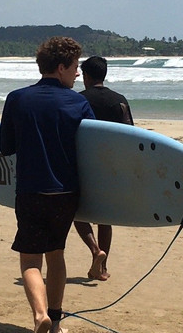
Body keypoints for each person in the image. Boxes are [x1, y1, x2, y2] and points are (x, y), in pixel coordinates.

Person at [0, 37, 95, 333]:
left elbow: (5, 146)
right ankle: (54, 323)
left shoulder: (17, 99)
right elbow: (92, 151)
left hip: (30, 191)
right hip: (66, 194)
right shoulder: (79, 102)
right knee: (57, 256)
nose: (78, 74)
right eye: (76, 67)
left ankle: (39, 314)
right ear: (61, 67)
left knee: (30, 261)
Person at [72, 55, 133, 281]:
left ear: (86, 76)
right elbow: (130, 134)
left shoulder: (77, 100)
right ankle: (103, 268)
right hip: (111, 167)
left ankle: (95, 250)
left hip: (82, 165)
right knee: (105, 218)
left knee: (76, 212)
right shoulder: (120, 100)